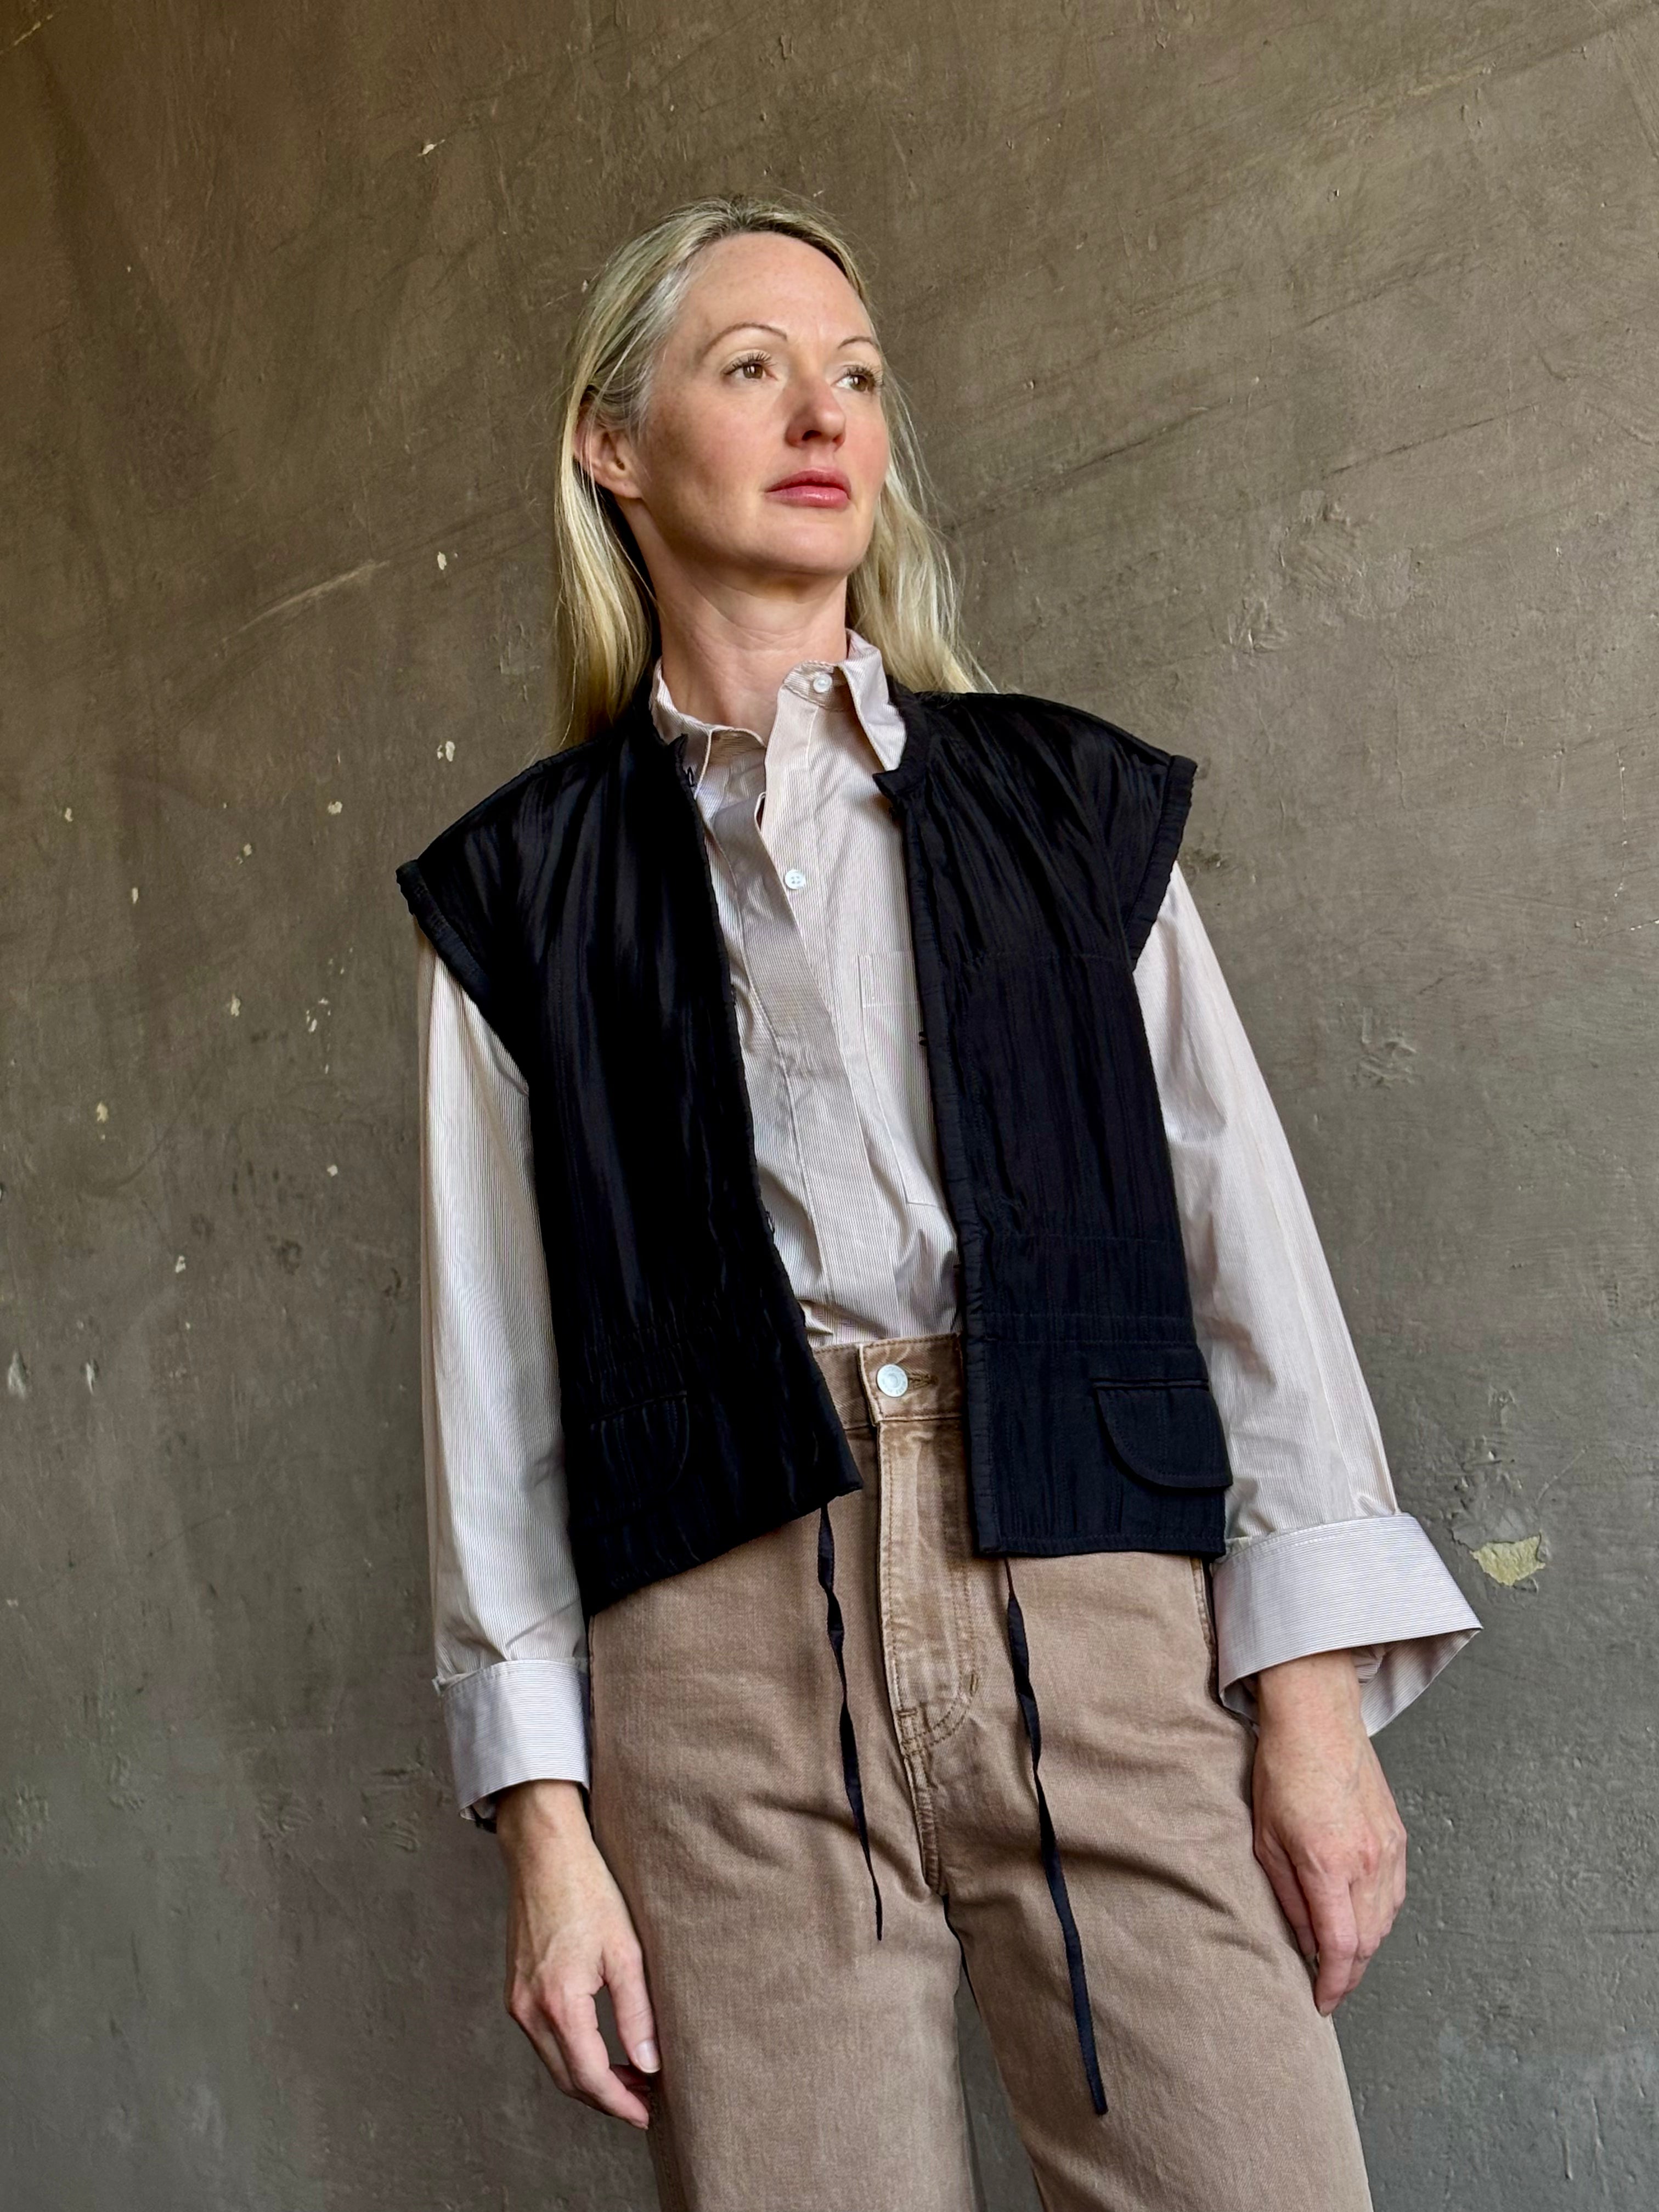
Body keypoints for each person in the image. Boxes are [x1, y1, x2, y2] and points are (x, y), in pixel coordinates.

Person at [397, 193, 1481, 2212]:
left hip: (1092, 1582)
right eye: (753, 367)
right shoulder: (518, 900)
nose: (827, 413)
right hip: (717, 1665)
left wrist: (1311, 1709)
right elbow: (496, 1390)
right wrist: (549, 1831)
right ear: (611, 446)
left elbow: (1252, 1258)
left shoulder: (1067, 812)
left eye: (861, 374)